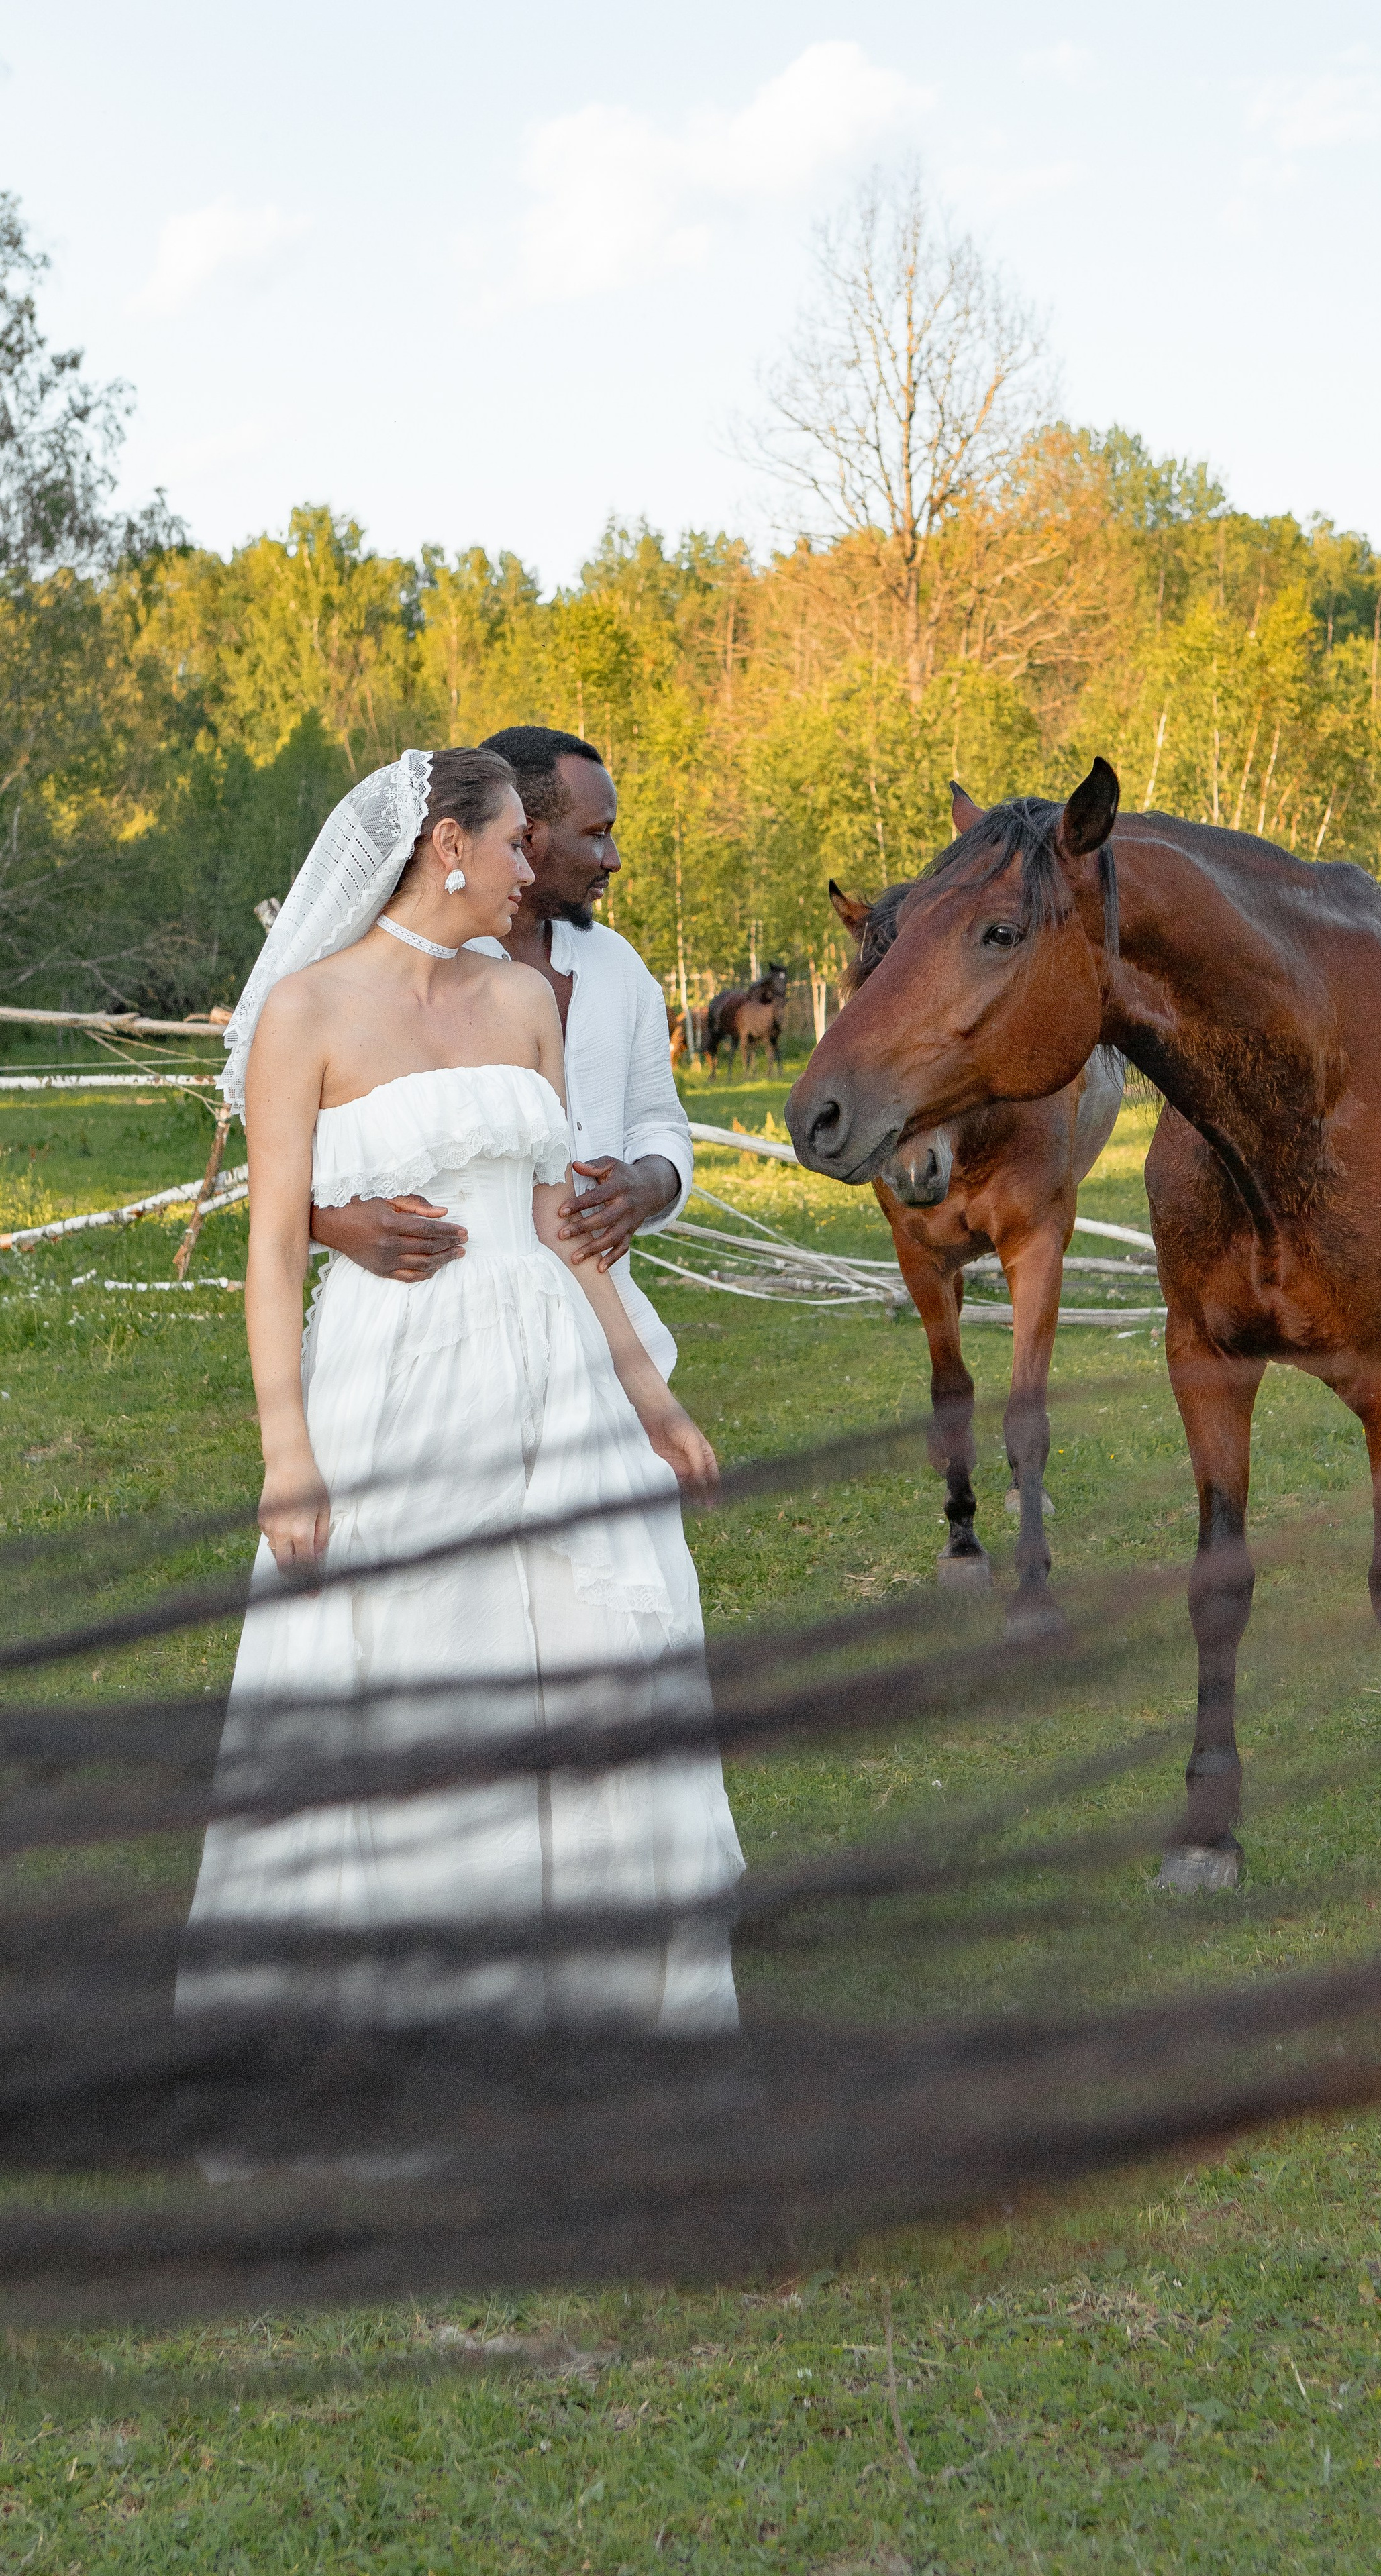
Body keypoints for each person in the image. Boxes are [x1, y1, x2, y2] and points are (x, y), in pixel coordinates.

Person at [179, 748, 744, 2031]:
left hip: (552, 1370)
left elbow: (560, 1224)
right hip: (397, 1377)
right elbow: (272, 1244)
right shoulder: (307, 1015)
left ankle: (602, 1994)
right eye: (509, 850)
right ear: (448, 845)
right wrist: (289, 1453)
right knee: (422, 1659)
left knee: (603, 1655)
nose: (527, 872)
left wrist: (650, 1395)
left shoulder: (524, 1002)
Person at [309, 726, 688, 1379]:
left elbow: (659, 1118)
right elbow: (308, 1147)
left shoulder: (619, 969)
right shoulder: (392, 982)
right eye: (596, 833)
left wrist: (648, 1185)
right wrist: (331, 1223)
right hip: (441, 1344)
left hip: (603, 1326)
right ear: (528, 834)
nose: (614, 859)